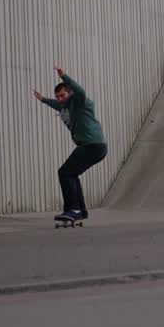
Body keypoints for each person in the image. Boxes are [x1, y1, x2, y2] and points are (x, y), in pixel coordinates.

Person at [33, 67, 107, 223]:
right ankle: (81, 211)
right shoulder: (65, 106)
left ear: (70, 93)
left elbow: (80, 91)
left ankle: (73, 209)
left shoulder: (80, 101)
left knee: (65, 173)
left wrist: (64, 76)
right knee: (72, 174)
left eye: (62, 95)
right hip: (92, 147)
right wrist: (43, 99)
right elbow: (56, 104)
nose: (60, 99)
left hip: (92, 146)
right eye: (58, 97)